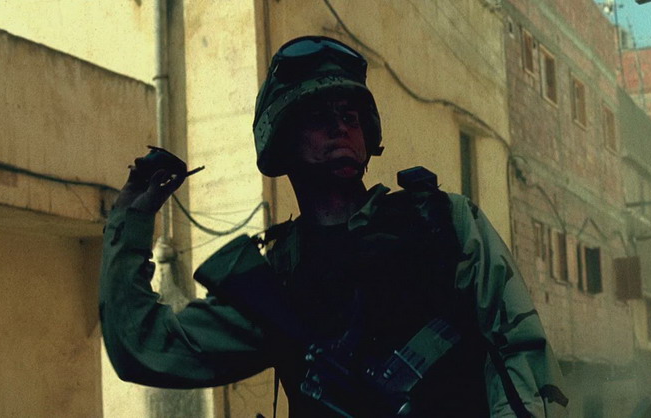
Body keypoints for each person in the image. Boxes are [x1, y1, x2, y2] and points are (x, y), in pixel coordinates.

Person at [100, 35, 566, 417]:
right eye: (318, 117)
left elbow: (521, 352)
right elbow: (145, 349)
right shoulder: (275, 281)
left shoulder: (444, 223)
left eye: (350, 117)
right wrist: (131, 222)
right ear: (282, 138)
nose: (340, 127)